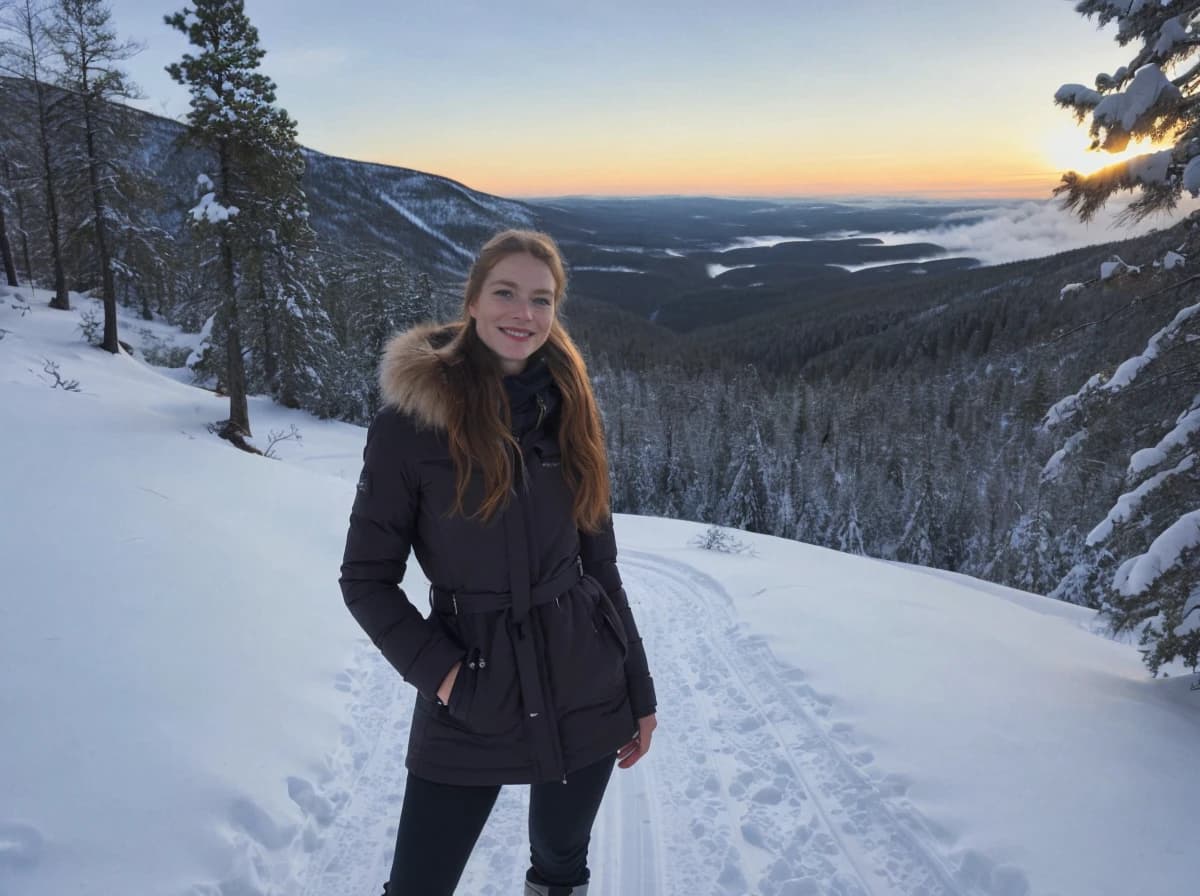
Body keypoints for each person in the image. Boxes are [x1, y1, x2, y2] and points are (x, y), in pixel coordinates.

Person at [339, 229, 658, 896]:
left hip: (584, 680)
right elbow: (366, 580)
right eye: (506, 293)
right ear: (474, 301)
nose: (525, 314)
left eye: (542, 299)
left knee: (561, 861)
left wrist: (637, 685)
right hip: (473, 690)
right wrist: (449, 678)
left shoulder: (570, 406)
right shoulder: (411, 424)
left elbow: (599, 561)